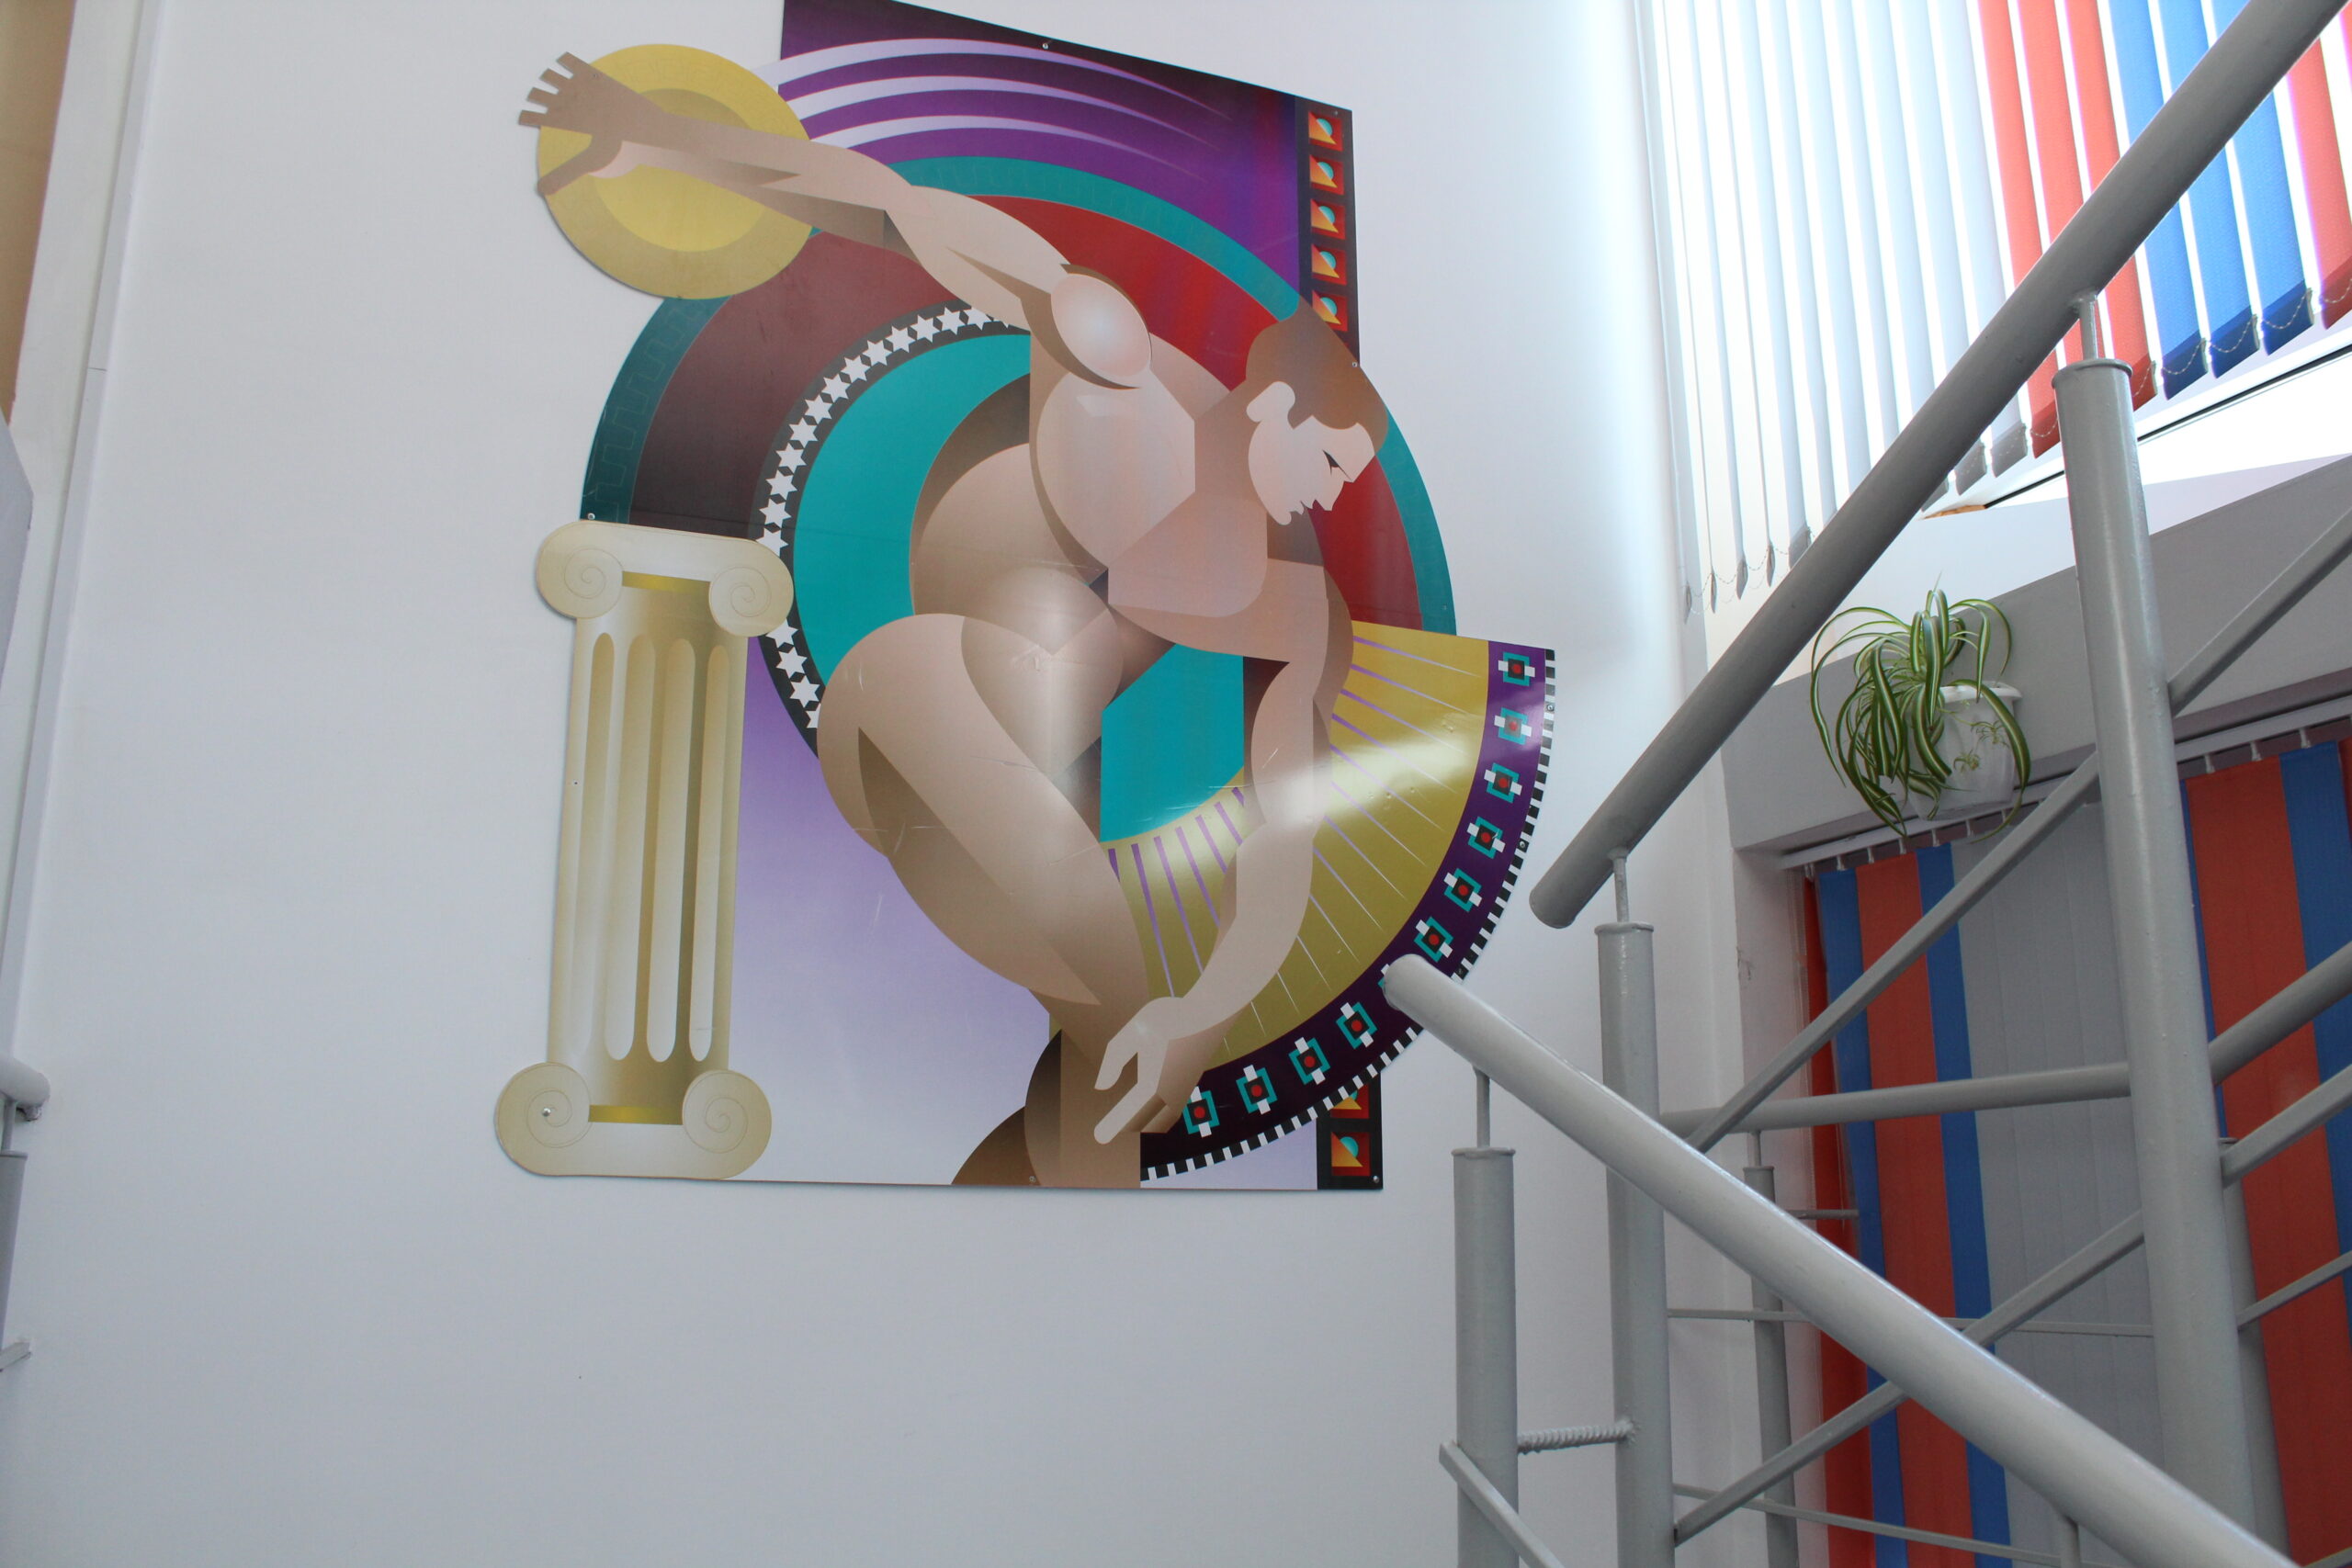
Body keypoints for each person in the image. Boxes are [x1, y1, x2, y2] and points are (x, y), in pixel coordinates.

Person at [524, 54, 1391, 1186]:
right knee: (1116, 1015)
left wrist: (1205, 1009)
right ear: (1269, 403)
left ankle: (1003, 1247)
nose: (1327, 498)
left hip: (1022, 800)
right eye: (1326, 461)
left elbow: (1284, 835)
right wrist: (662, 137)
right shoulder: (1111, 366)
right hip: (917, 699)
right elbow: (898, 209)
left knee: (1105, 1086)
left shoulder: (1289, 608)